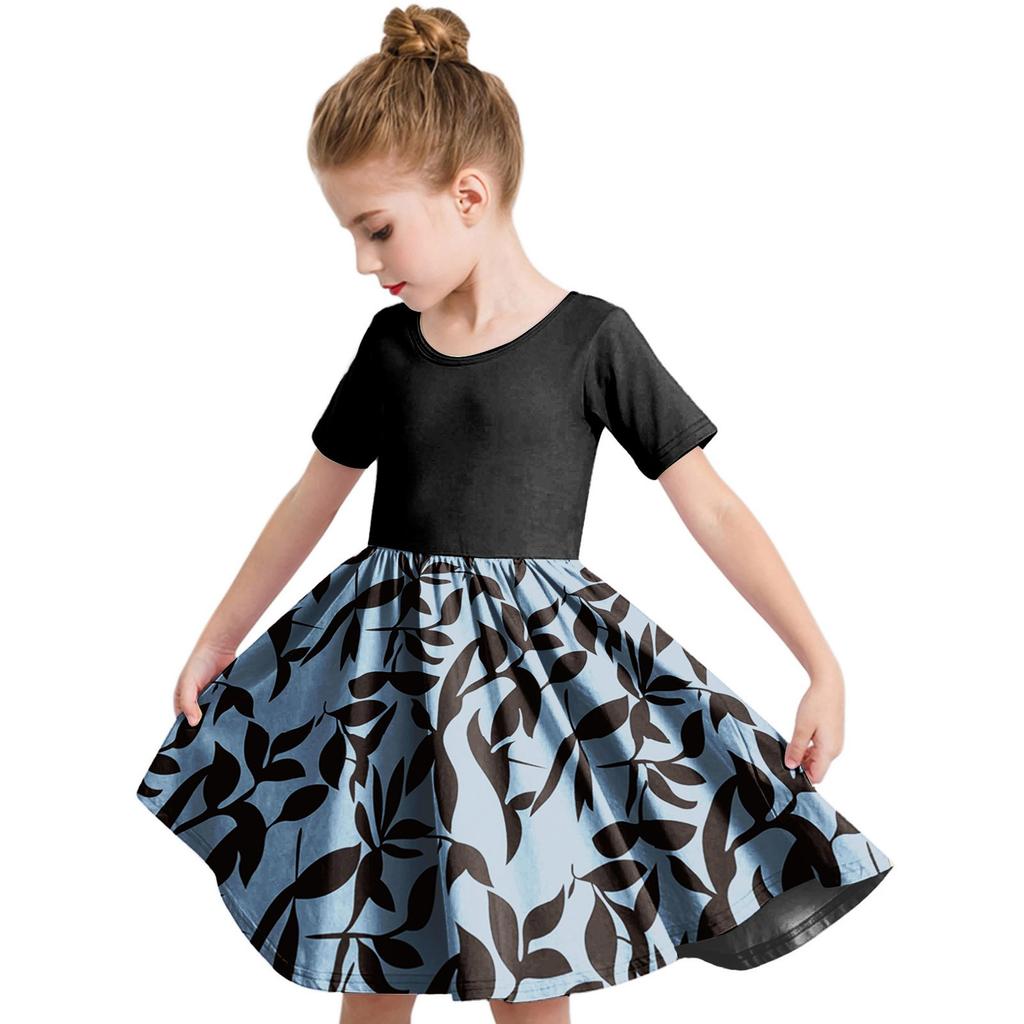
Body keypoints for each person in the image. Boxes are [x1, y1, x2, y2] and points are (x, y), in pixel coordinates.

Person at [136, 6, 893, 1022]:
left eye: (375, 229)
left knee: (533, 959)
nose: (363, 262)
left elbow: (711, 505)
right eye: (351, 234)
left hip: (528, 709)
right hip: (384, 691)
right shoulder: (389, 349)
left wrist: (819, 662)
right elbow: (308, 501)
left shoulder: (593, 341)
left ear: (468, 195)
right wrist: (219, 636)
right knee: (374, 944)